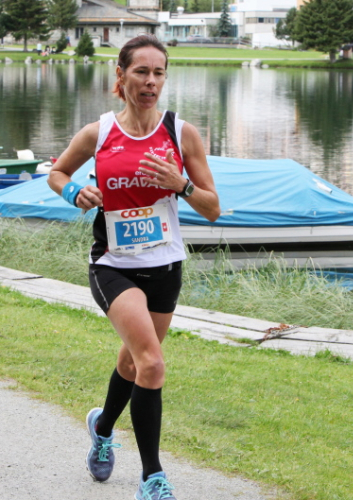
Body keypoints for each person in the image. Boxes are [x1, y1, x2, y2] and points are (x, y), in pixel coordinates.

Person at [48, 35, 220, 500]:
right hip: (113, 264)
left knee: (132, 361)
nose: (150, 82)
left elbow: (212, 208)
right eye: (141, 72)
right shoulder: (99, 133)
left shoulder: (181, 133)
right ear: (120, 76)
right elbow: (57, 173)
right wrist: (75, 193)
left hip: (164, 267)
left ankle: (102, 428)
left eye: (158, 73)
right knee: (152, 363)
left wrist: (180, 184)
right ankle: (152, 477)